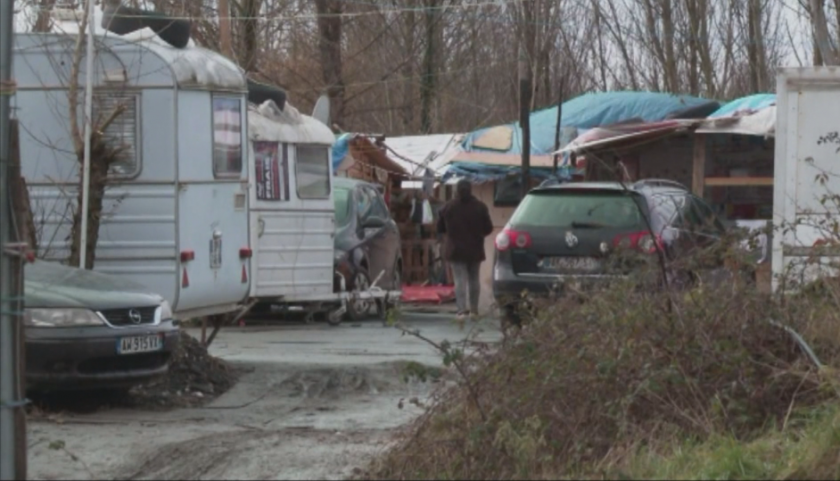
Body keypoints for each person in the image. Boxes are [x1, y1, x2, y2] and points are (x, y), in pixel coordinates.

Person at [437, 179, 494, 320]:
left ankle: (461, 311)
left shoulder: (448, 207)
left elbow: (440, 228)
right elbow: (489, 228)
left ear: (457, 190)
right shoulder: (480, 207)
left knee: (459, 280)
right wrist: (478, 234)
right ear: (470, 190)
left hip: (455, 250)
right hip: (475, 249)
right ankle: (474, 310)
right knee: (474, 279)